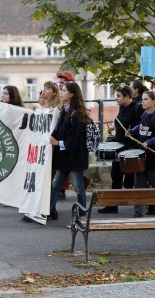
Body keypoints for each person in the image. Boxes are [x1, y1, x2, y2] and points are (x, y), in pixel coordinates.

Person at [48, 82, 90, 222]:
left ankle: (82, 215)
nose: (61, 92)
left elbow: (76, 140)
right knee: (55, 184)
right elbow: (59, 129)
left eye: (64, 90)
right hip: (64, 156)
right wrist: (52, 136)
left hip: (75, 157)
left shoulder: (77, 114)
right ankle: (48, 211)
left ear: (71, 94)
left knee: (78, 187)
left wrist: (57, 142)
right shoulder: (65, 110)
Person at [98, 85, 143, 214]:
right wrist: (113, 127)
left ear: (127, 97)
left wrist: (132, 131)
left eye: (118, 96)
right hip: (119, 146)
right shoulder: (122, 107)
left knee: (131, 179)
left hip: (131, 148)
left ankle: (146, 204)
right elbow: (119, 120)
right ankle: (113, 205)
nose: (116, 99)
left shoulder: (137, 108)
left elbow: (144, 123)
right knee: (116, 175)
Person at [127, 91, 155, 217]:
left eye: (146, 99)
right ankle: (138, 212)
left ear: (154, 101)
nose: (143, 101)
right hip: (142, 156)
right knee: (139, 185)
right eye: (142, 99)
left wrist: (150, 141)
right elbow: (141, 126)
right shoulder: (145, 114)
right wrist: (132, 131)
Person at [23, 81, 61, 225]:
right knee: (38, 179)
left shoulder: (56, 109)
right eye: (44, 88)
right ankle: (39, 209)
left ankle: (48, 210)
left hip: (48, 148)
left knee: (47, 180)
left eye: (48, 89)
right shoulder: (44, 107)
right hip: (39, 148)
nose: (44, 91)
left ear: (54, 92)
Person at [56, 71, 76, 200]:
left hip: (68, 136)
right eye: (59, 83)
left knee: (66, 164)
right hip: (59, 133)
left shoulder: (74, 102)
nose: (60, 86)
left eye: (62, 83)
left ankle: (62, 188)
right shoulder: (59, 96)